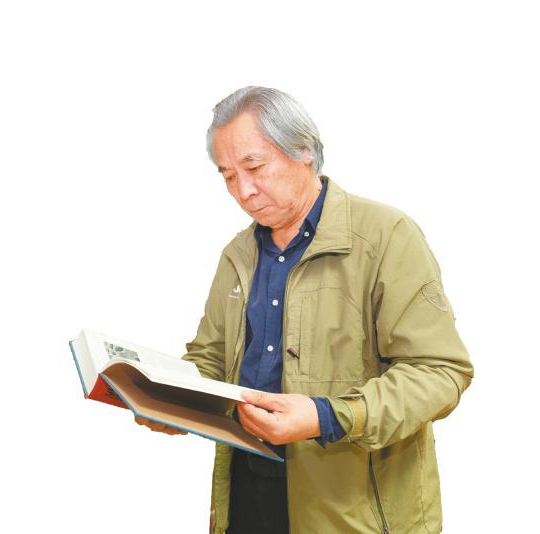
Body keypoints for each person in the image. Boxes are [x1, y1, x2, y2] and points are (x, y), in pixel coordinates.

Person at [135, 86, 473, 534]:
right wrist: (168, 399)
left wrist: (327, 416)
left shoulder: (387, 236)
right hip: (246, 493)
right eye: (228, 176)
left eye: (254, 167)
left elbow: (440, 372)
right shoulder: (238, 254)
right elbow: (212, 358)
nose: (244, 191)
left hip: (353, 511)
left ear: (303, 150)